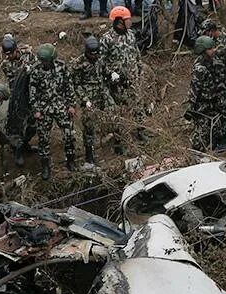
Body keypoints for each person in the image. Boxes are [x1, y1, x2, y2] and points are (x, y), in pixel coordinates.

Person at [29, 44, 77, 179]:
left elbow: (69, 86)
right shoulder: (36, 71)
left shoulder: (61, 67)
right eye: (42, 61)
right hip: (44, 109)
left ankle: (71, 160)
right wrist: (36, 110)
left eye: (46, 61)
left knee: (68, 133)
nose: (43, 63)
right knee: (43, 138)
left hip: (61, 105)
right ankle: (45, 166)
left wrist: (71, 104)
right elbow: (32, 92)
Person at [101, 7, 146, 149]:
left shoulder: (131, 35)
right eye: (127, 19)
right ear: (119, 21)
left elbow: (136, 52)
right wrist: (110, 73)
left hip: (133, 77)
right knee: (120, 110)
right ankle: (119, 140)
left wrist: (140, 68)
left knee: (138, 104)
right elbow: (101, 61)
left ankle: (141, 130)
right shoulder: (107, 39)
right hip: (117, 81)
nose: (130, 22)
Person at [70, 36, 116, 166]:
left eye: (96, 54)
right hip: (89, 97)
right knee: (89, 126)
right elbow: (76, 84)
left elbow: (104, 70)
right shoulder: (78, 64)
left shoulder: (99, 58)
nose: (95, 57)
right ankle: (89, 154)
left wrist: (111, 73)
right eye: (92, 54)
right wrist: (85, 100)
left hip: (102, 93)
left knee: (114, 114)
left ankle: (117, 142)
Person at [187, 36, 226, 151]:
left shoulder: (214, 61)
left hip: (215, 101)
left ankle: (217, 145)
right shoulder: (200, 68)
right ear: (202, 50)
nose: (213, 50)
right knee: (202, 133)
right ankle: (197, 153)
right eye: (210, 49)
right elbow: (194, 88)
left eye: (213, 48)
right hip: (204, 104)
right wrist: (190, 107)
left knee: (217, 127)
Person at [1, 35, 37, 166]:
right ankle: (18, 149)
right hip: (18, 98)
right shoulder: (6, 65)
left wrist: (30, 71)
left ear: (16, 50)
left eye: (10, 54)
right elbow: (14, 84)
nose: (8, 57)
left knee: (33, 125)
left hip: (32, 95)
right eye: (6, 55)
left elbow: (37, 70)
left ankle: (26, 144)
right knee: (18, 126)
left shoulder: (28, 56)